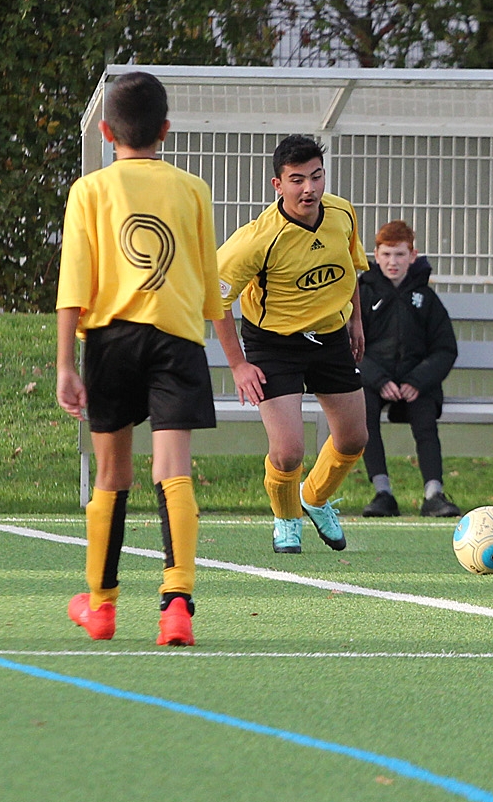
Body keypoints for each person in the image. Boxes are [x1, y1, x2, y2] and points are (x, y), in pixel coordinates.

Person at [55, 71, 223, 646]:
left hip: (112, 342)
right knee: (173, 471)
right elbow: (210, 285)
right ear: (165, 130)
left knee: (112, 474)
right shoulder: (193, 190)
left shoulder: (89, 191)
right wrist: (231, 353)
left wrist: (65, 365)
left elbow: (73, 285)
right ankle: (176, 605)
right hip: (177, 341)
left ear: (106, 132)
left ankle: (101, 605)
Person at [212, 135, 370, 554]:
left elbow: (350, 268)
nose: (309, 189)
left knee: (354, 439)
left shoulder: (342, 213)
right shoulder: (256, 239)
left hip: (330, 338)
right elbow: (215, 299)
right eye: (297, 180)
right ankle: (286, 520)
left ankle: (314, 498)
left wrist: (356, 320)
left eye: (316, 177)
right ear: (277, 184)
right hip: (274, 345)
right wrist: (238, 365)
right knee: (287, 453)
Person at [357, 220, 461, 518]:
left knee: (425, 417)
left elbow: (445, 349)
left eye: (400, 254)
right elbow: (348, 346)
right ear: (376, 255)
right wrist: (377, 379)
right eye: (386, 254)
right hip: (375, 380)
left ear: (412, 256)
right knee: (363, 413)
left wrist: (418, 380)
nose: (393, 262)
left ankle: (434, 494)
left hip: (416, 382)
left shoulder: (426, 298)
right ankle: (383, 493)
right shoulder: (363, 294)